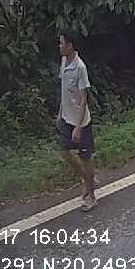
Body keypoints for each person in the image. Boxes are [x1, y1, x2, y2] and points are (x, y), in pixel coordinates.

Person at [56, 33, 96, 212]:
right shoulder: (64, 62)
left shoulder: (80, 67)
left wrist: (78, 127)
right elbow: (64, 91)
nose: (59, 46)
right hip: (67, 118)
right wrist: (60, 113)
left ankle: (92, 196)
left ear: (70, 45)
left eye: (61, 43)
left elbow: (83, 100)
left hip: (81, 121)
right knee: (64, 152)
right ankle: (87, 180)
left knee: (85, 158)